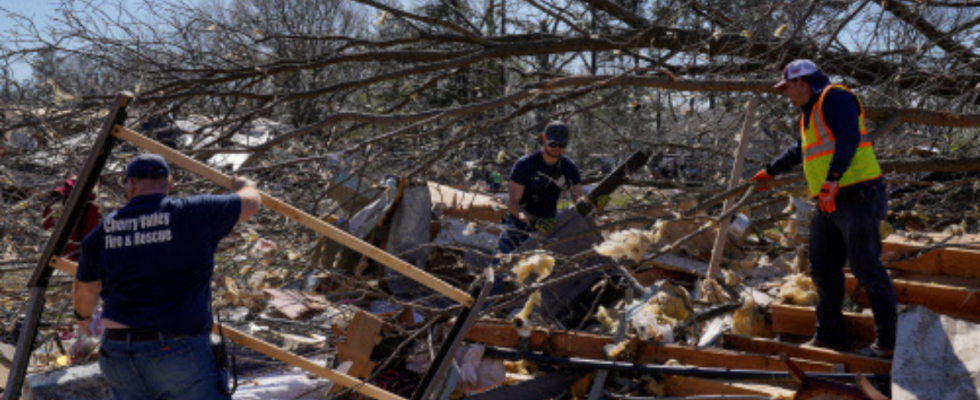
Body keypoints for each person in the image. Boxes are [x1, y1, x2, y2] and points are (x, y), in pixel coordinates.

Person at [72, 153, 261, 399]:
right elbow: (250, 203)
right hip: (178, 350)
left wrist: (83, 319)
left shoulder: (101, 233)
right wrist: (244, 186)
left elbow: (85, 290)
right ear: (169, 184)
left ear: (130, 185)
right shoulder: (193, 213)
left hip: (118, 351)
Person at [750, 60, 897, 358]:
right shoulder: (809, 114)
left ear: (802, 82)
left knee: (866, 267)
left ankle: (889, 343)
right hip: (830, 198)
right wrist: (770, 171)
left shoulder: (836, 97)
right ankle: (829, 336)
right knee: (822, 266)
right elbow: (799, 151)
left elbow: (848, 139)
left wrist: (832, 180)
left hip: (858, 193)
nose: (786, 94)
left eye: (787, 87)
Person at [495, 121, 584, 259]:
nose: (556, 148)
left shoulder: (569, 168)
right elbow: (513, 204)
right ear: (544, 139)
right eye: (552, 144)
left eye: (561, 145)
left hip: (548, 227)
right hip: (518, 225)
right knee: (502, 264)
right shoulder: (525, 164)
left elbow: (579, 199)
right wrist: (534, 221)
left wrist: (595, 203)